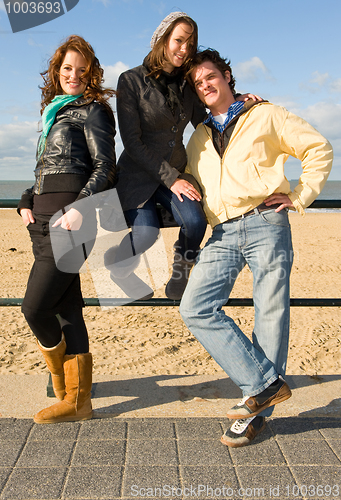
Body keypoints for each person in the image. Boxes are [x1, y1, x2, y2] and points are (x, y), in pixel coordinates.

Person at [180, 49, 333, 447]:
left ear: (227, 76)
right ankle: (264, 385)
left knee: (269, 313)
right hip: (224, 232)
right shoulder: (198, 136)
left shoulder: (265, 114)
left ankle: (256, 417)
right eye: (198, 83)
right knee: (194, 306)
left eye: (210, 76)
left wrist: (299, 196)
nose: (205, 86)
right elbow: (186, 177)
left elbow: (318, 148)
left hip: (267, 222)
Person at [105, 12, 257, 301]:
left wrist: (239, 101)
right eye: (178, 40)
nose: (184, 49)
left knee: (196, 222)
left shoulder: (188, 84)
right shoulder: (131, 80)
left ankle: (181, 268)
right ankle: (118, 266)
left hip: (176, 169)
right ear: (163, 39)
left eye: (190, 42)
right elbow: (132, 143)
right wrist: (172, 179)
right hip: (139, 174)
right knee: (146, 233)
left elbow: (208, 117)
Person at [18, 35, 116, 424]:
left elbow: (105, 167)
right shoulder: (54, 113)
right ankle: (77, 401)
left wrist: (79, 207)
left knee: (34, 308)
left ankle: (61, 378)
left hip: (71, 221)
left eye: (81, 69)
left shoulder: (94, 110)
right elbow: (47, 170)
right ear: (56, 73)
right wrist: (26, 200)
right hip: (40, 222)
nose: (73, 75)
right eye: (66, 69)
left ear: (90, 73)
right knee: (66, 308)